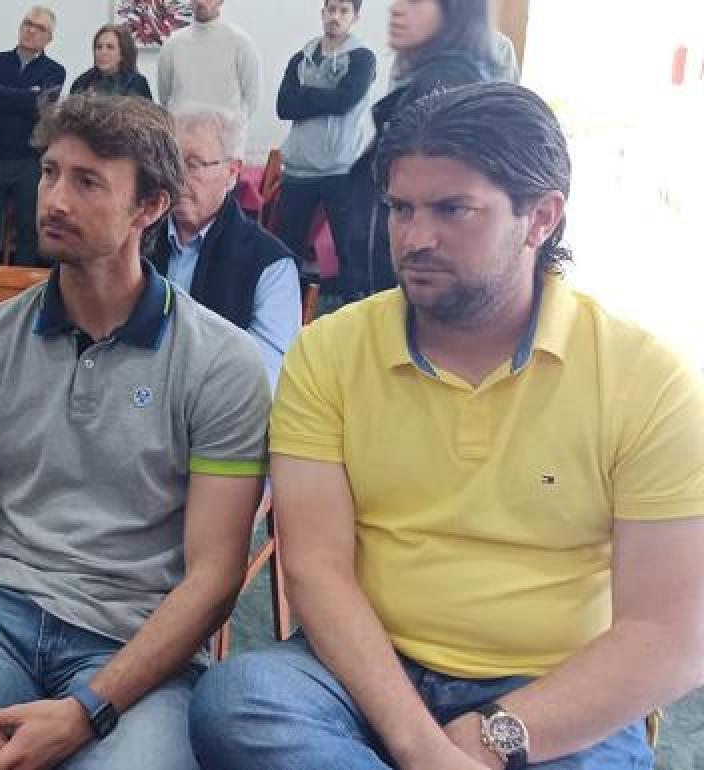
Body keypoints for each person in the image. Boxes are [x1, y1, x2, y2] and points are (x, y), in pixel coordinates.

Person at [189, 82, 704, 770]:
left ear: (541, 217)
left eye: (453, 210)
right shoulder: (332, 351)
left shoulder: (643, 377)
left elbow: (672, 630)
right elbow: (315, 568)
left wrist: (492, 737)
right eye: (401, 209)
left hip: (549, 690)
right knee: (240, 699)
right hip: (364, 669)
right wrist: (417, 743)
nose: (416, 238)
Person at [0, 93, 270, 770]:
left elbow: (216, 573)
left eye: (87, 182)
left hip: (138, 646)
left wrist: (89, 708)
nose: (54, 199)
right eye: (51, 172)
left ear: (150, 208)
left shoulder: (221, 364)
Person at [346, 0, 496, 298]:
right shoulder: (443, 79)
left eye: (414, 0)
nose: (396, 9)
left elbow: (420, 196)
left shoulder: (442, 86)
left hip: (408, 277)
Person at [149, 104, 300, 387]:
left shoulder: (270, 264)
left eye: (193, 164)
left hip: (218, 416)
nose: (176, 178)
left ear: (232, 172)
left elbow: (266, 376)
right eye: (170, 163)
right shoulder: (137, 239)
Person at [275, 0, 376, 298]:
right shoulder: (300, 59)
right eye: (331, 9)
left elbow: (345, 101)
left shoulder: (362, 59)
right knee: (286, 246)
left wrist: (304, 96)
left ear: (355, 17)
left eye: (343, 11)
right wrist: (325, 96)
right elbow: (283, 106)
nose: (335, 17)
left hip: (341, 169)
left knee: (349, 248)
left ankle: (353, 311)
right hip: (298, 168)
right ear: (322, 13)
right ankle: (282, 306)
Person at [0, 6, 66, 267]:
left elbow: (42, 107)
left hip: (30, 161)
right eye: (28, 23)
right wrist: (27, 96)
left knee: (28, 233)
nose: (31, 30)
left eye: (40, 28)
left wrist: (2, 93)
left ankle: (21, 298)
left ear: (49, 38)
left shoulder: (55, 70)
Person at [157, 0, 260, 121]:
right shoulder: (172, 44)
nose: (201, 2)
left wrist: (232, 129)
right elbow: (165, 96)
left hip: (226, 137)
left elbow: (251, 96)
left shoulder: (240, 42)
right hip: (182, 134)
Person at [69, 23, 152, 100]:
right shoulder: (82, 82)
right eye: (99, 47)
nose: (103, 52)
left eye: (110, 47)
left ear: (123, 53)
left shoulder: (137, 83)